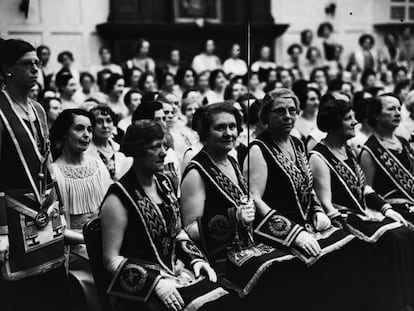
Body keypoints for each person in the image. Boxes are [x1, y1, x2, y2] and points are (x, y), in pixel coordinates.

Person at [181, 102, 310, 310]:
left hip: (249, 245)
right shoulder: (196, 171)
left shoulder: (231, 161)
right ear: (205, 132)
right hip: (219, 259)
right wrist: (233, 218)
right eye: (220, 127)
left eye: (232, 127)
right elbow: (188, 231)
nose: (229, 133)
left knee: (295, 263)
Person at [100, 120, 234, 311]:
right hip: (142, 289)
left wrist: (196, 259)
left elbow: (177, 232)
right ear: (137, 151)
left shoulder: (164, 183)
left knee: (226, 300)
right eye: (155, 147)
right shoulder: (118, 197)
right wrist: (156, 283)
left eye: (164, 145)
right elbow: (111, 259)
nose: (164, 152)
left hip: (177, 271)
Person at [309, 98, 414, 310]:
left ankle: (406, 300)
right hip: (341, 218)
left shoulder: (348, 150)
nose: (355, 122)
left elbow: (365, 189)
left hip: (361, 214)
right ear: (335, 123)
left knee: (404, 232)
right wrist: (363, 220)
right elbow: (327, 204)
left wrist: (387, 209)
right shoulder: (319, 156)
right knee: (392, 238)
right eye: (349, 119)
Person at [0, 39, 67, 311]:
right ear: (7, 69)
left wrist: (58, 209)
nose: (35, 69)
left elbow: (47, 162)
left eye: (37, 63)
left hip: (45, 211)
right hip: (12, 217)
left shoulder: (38, 109)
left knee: (54, 292)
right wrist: (0, 230)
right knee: (23, 297)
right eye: (27, 64)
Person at [361, 94, 414, 225]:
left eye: (399, 109)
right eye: (391, 109)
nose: (397, 113)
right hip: (393, 209)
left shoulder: (403, 142)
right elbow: (367, 191)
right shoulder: (370, 150)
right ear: (376, 115)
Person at [87, 105, 132, 181]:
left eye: (108, 121)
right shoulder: (86, 151)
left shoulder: (119, 148)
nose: (105, 126)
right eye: (99, 122)